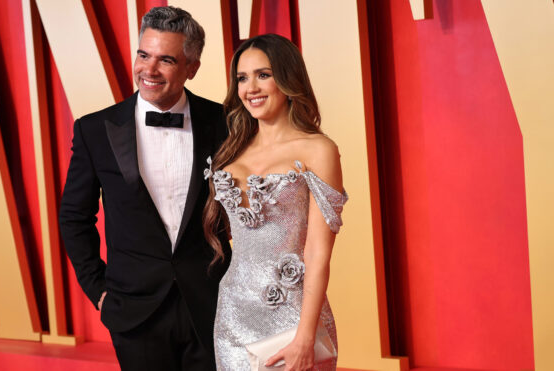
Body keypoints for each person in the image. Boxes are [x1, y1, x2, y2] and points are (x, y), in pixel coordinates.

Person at [58, 6, 231, 371]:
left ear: (192, 68)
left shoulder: (224, 122)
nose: (149, 70)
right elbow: (74, 217)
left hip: (213, 304)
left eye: (166, 59)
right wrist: (98, 292)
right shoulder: (95, 129)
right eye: (143, 55)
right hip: (133, 313)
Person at [203, 34, 348, 371]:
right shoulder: (230, 151)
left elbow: (317, 253)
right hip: (233, 316)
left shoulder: (318, 150)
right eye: (242, 78)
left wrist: (305, 336)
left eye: (263, 75)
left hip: (293, 315)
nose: (251, 87)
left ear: (287, 79)